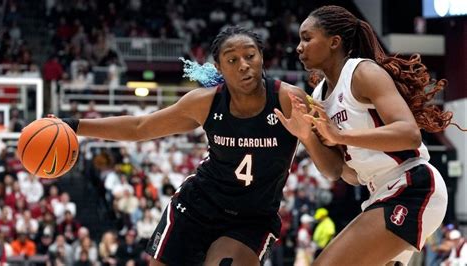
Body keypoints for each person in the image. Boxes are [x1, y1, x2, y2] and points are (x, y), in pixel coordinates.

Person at [57, 26, 324, 265]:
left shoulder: (290, 99)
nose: (244, 65)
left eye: (250, 56)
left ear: (262, 57)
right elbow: (141, 127)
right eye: (232, 59)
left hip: (252, 218)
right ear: (219, 67)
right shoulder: (205, 102)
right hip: (197, 207)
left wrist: (314, 136)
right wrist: (75, 125)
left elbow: (333, 167)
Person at [275, 5, 464, 265]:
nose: (299, 46)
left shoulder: (362, 72)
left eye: (307, 38)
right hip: (378, 193)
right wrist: (307, 137)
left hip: (413, 185)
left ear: (334, 42)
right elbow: (339, 172)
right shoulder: (318, 97)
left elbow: (410, 135)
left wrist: (341, 137)